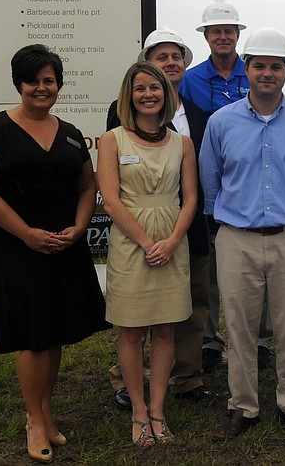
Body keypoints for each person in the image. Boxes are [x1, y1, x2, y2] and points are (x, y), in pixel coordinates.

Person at [0, 44, 110, 463]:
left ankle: (47, 411)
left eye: (49, 80)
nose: (41, 88)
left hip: (64, 243)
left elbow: (88, 187)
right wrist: (26, 233)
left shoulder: (69, 132)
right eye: (33, 80)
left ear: (58, 85)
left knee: (55, 329)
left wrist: (81, 227)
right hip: (17, 245)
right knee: (32, 336)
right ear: (20, 83)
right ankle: (33, 419)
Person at [201, 28, 285, 440]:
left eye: (276, 66)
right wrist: (230, 219)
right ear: (247, 70)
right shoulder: (222, 122)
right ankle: (243, 406)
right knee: (239, 328)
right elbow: (211, 181)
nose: (267, 73)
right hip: (236, 238)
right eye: (259, 66)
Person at [105, 27, 214, 409]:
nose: (169, 64)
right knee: (132, 319)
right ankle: (128, 385)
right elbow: (112, 190)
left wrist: (176, 235)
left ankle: (185, 378)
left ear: (184, 65)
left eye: (175, 57)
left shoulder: (198, 118)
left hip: (184, 229)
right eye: (160, 57)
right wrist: (148, 241)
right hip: (135, 234)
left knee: (190, 307)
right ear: (144, 66)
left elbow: (198, 183)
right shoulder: (116, 124)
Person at [98, 62, 197, 447]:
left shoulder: (182, 143)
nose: (148, 95)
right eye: (139, 89)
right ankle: (138, 412)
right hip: (130, 242)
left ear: (166, 94)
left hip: (172, 242)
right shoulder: (112, 140)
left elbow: (190, 198)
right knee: (131, 329)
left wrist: (171, 241)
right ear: (129, 95)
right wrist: (145, 241)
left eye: (154, 88)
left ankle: (158, 409)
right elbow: (110, 199)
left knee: (166, 328)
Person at [180, 0, 274, 373]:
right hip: (209, 186)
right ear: (206, 36)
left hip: (255, 185)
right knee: (213, 272)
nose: (223, 36)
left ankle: (263, 341)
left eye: (229, 30)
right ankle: (209, 340)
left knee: (261, 270)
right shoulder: (191, 80)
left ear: (238, 35)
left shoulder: (251, 73)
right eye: (216, 31)